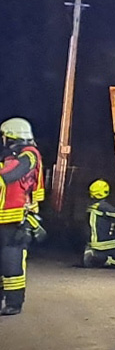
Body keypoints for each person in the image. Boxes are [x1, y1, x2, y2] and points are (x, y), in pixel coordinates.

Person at [0, 117, 44, 315]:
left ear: (12, 137)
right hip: (5, 219)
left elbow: (9, 175)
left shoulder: (29, 155)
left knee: (11, 261)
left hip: (16, 219)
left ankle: (14, 303)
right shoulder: (13, 157)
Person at [83, 180, 115, 268]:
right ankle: (104, 259)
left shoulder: (94, 205)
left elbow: (108, 214)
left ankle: (93, 255)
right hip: (104, 244)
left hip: (94, 242)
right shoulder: (103, 206)